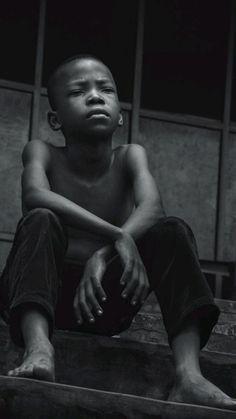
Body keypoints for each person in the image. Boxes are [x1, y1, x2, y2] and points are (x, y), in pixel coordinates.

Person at [0, 54, 235, 410]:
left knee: (172, 231)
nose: (96, 97)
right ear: (55, 118)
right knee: (42, 219)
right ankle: (38, 347)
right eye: (79, 92)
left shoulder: (130, 156)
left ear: (121, 114)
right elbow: (34, 196)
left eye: (106, 90)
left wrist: (103, 253)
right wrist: (118, 235)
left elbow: (153, 208)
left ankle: (189, 375)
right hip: (42, 298)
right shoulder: (43, 152)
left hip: (102, 306)